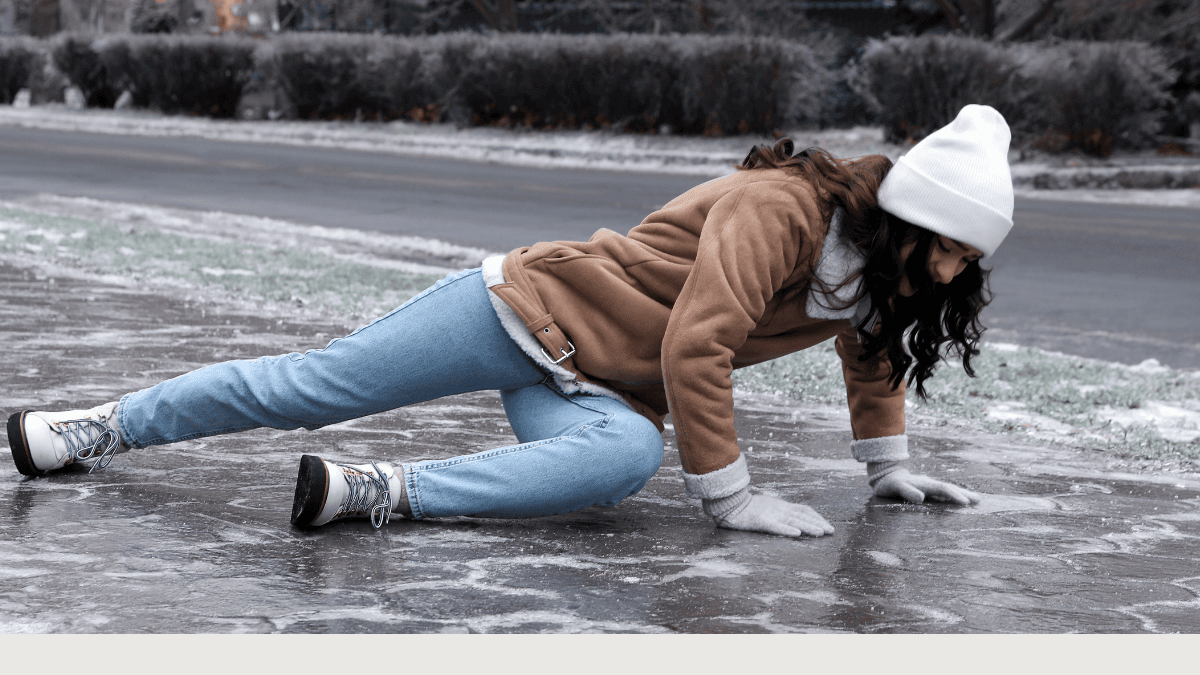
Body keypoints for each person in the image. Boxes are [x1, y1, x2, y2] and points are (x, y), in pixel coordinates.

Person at [6, 104, 1013, 538]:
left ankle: (376, 493)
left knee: (617, 464)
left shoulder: (878, 272)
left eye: (972, 257)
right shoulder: (783, 210)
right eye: (956, 247)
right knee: (309, 389)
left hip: (600, 388)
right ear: (907, 221)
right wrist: (733, 499)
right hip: (522, 308)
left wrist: (887, 471)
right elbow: (698, 342)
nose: (960, 270)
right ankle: (99, 425)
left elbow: (873, 349)